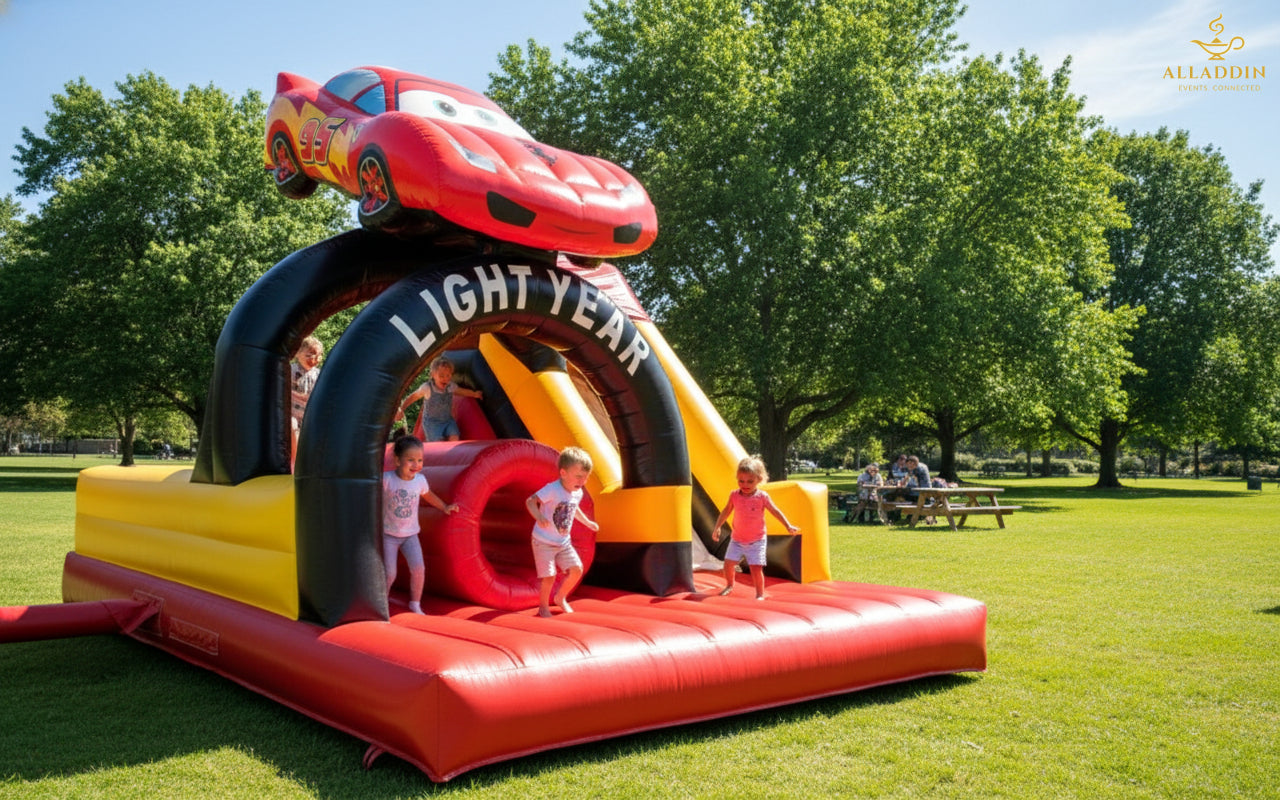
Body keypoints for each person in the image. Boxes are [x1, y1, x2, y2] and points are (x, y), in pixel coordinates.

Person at [382, 435, 459, 615]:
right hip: (388, 534)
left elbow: (429, 495)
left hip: (410, 535)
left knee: (418, 568)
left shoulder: (420, 480)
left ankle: (415, 603)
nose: (416, 464)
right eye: (410, 460)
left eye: (420, 460)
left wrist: (445, 507)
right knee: (389, 572)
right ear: (397, 460)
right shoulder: (387, 479)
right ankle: (381, 601)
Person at [711, 456, 800, 600]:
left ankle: (759, 594)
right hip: (737, 539)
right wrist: (717, 527)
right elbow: (726, 511)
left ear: (759, 479)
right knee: (728, 564)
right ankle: (729, 585)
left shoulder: (762, 497)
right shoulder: (734, 495)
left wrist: (787, 525)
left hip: (756, 540)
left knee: (755, 568)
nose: (745, 484)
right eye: (741, 481)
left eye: (750, 481)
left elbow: (775, 511)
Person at [526, 446, 599, 618]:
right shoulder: (552, 489)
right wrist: (538, 516)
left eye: (586, 477)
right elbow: (530, 501)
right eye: (579, 476)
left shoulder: (577, 492)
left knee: (577, 570)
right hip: (543, 541)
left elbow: (574, 509)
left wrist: (587, 522)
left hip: (563, 542)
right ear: (563, 473)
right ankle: (543, 607)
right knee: (549, 576)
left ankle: (560, 597)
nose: (582, 481)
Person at [395, 356, 483, 442]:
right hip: (432, 423)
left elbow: (461, 391)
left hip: (447, 420)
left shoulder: (450, 386)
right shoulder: (427, 388)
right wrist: (402, 409)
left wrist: (474, 394)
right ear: (432, 375)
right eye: (441, 376)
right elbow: (413, 397)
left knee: (454, 437)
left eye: (448, 375)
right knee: (438, 443)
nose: (445, 379)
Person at [290, 336, 323, 463]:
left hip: (309, 415)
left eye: (318, 355)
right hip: (293, 414)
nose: (314, 359)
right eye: (309, 355)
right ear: (297, 354)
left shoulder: (319, 374)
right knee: (292, 424)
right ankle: (296, 460)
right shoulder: (291, 370)